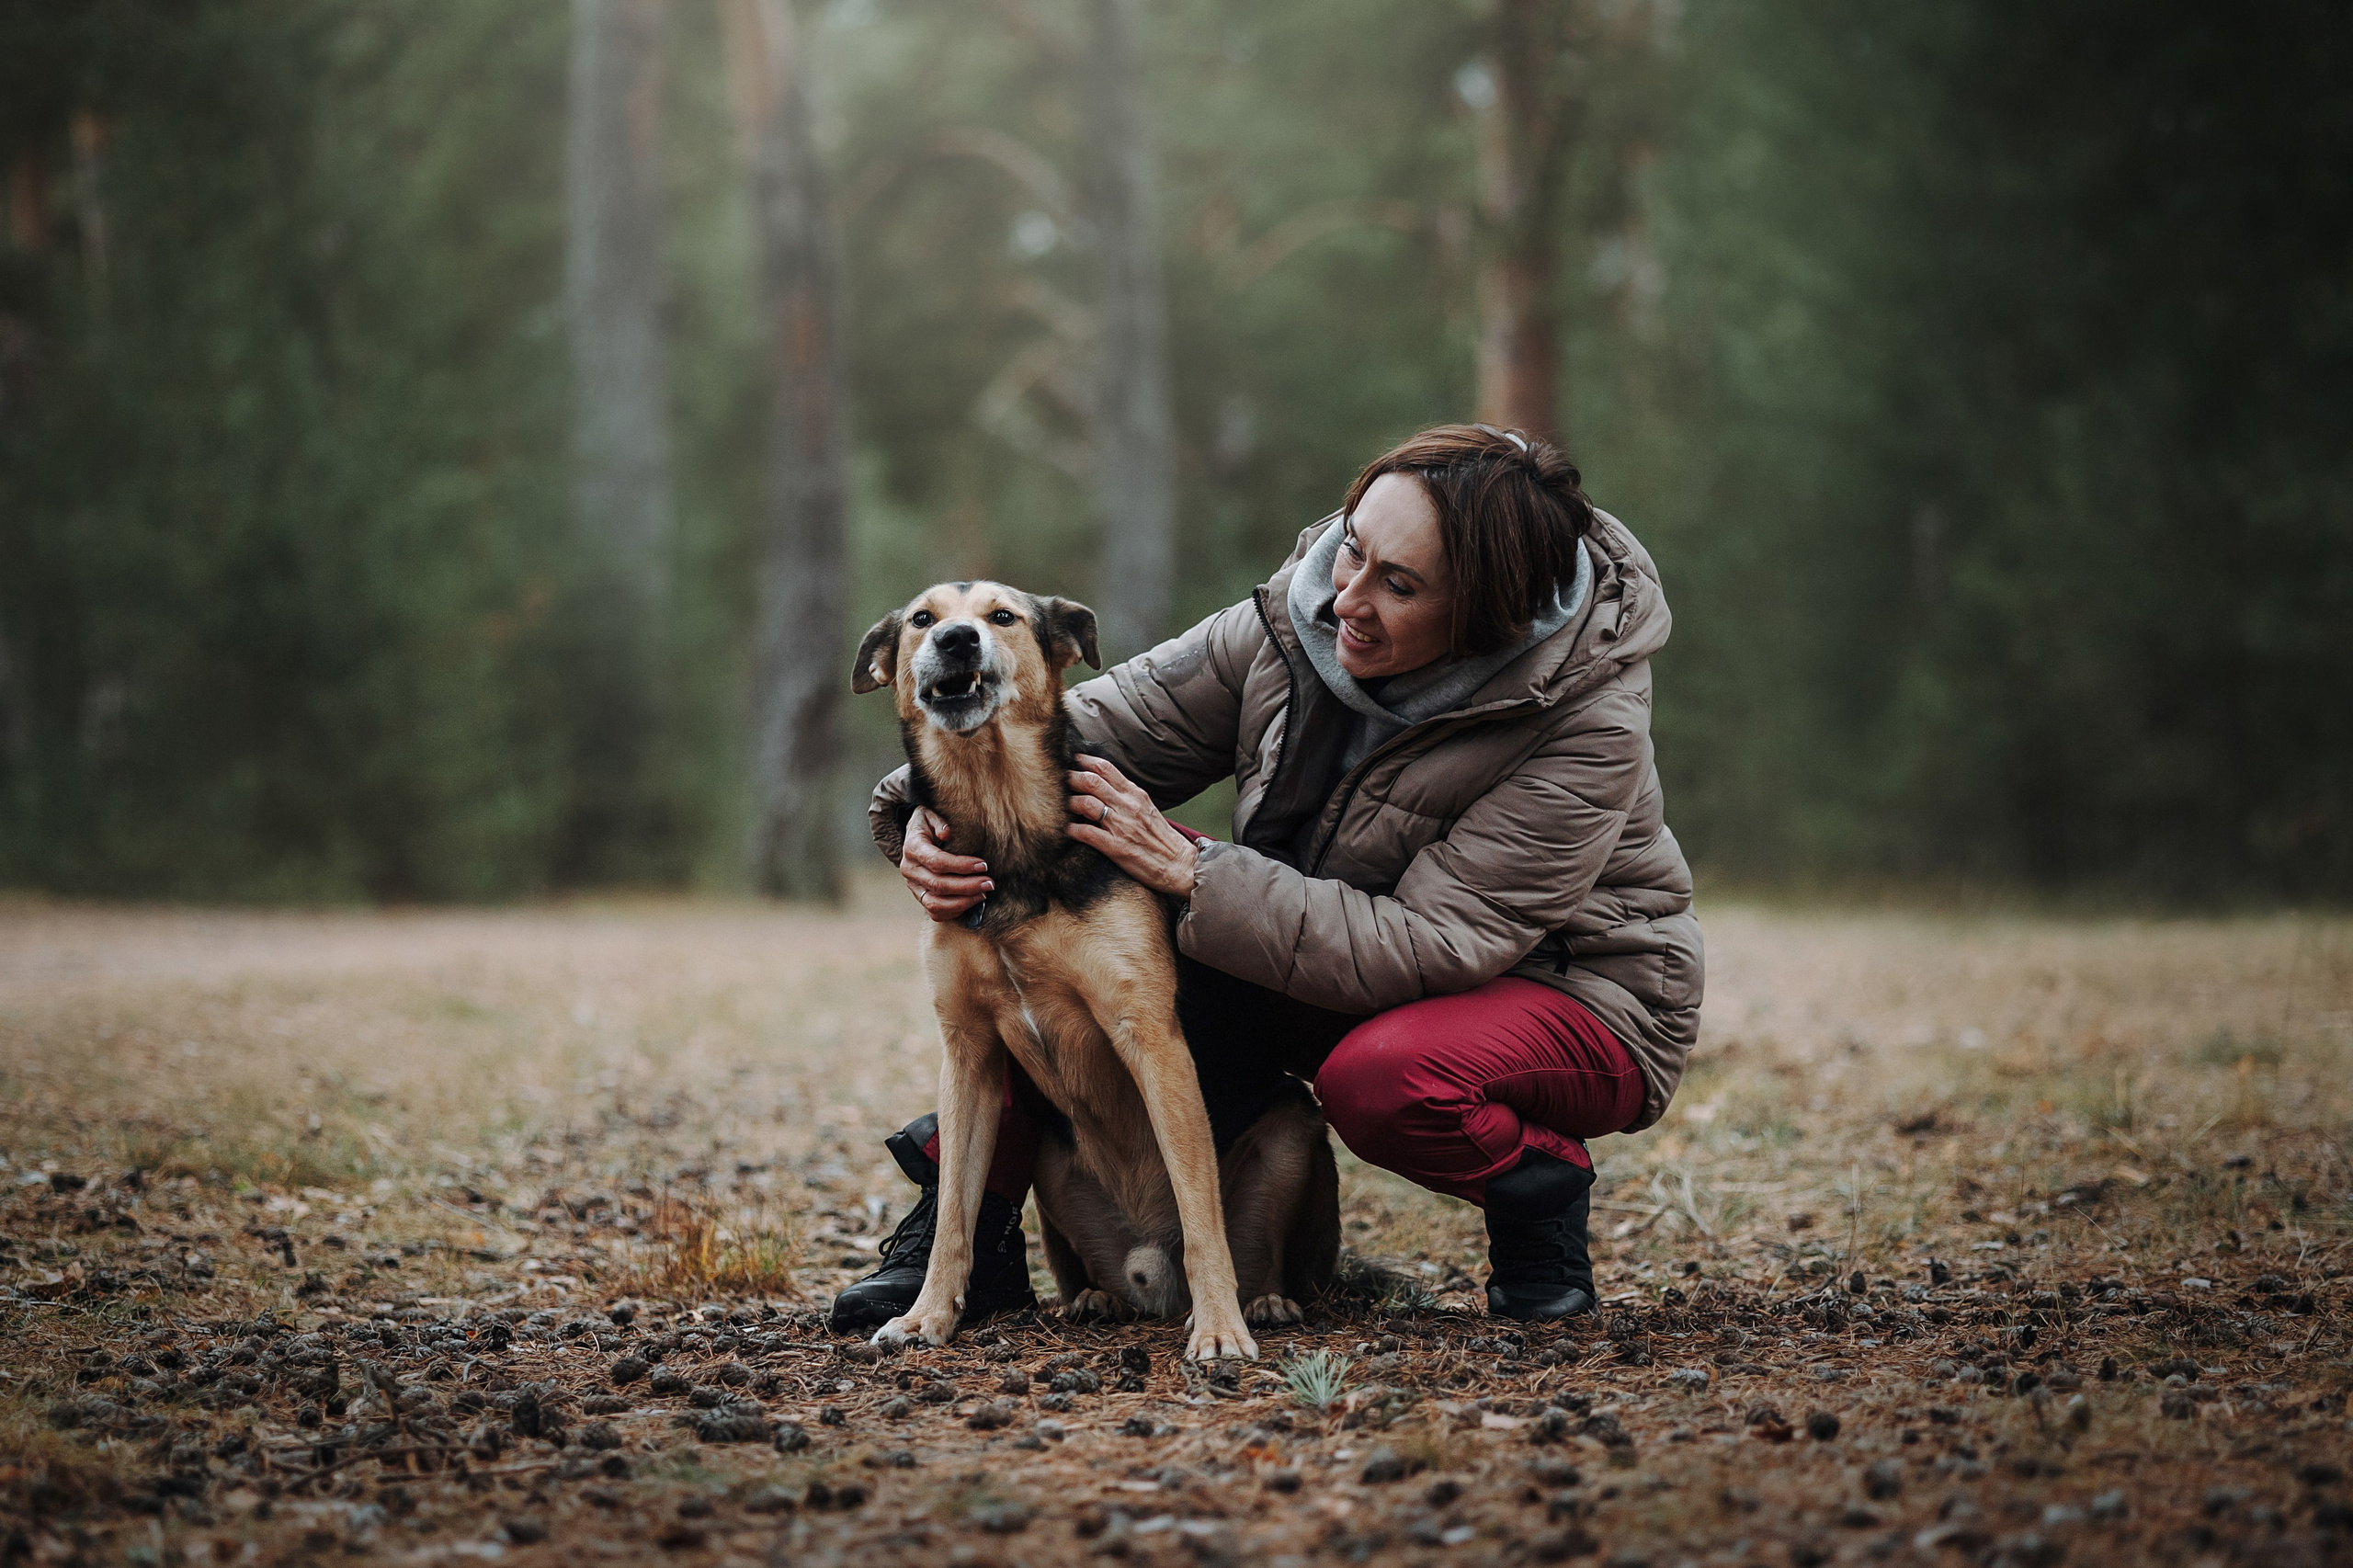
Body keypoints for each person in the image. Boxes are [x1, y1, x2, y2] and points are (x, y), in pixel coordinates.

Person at [831, 422, 1701, 1333]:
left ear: (1489, 619)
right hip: (1328, 949)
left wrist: (1196, 873)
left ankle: (1539, 1196)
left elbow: (1436, 943)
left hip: (1565, 993)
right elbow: (1095, 723)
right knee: (1037, 906)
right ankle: (976, 1234)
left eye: (1397, 584)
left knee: (1387, 1079)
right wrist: (924, 810)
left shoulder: (1585, 723)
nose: (1345, 597)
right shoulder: (1296, 612)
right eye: (1354, 550)